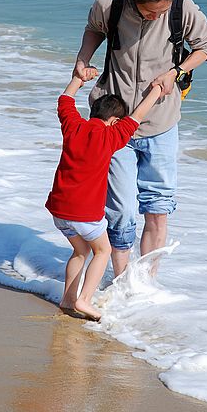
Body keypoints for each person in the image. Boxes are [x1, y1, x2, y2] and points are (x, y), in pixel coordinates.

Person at [73, 0, 207, 277]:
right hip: (112, 123)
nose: (156, 17)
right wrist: (82, 61)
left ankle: (146, 283)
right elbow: (94, 29)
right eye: (151, 12)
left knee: (158, 209)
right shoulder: (109, 3)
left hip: (161, 122)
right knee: (120, 211)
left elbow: (206, 47)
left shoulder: (182, 8)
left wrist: (176, 72)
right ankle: (124, 280)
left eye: (162, 12)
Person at [45, 72, 164, 320]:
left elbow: (65, 100)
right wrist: (156, 90)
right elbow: (138, 116)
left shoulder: (73, 126)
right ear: (113, 121)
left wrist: (79, 78)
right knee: (103, 250)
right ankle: (84, 300)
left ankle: (67, 300)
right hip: (84, 213)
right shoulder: (110, 136)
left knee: (80, 251)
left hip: (59, 209)